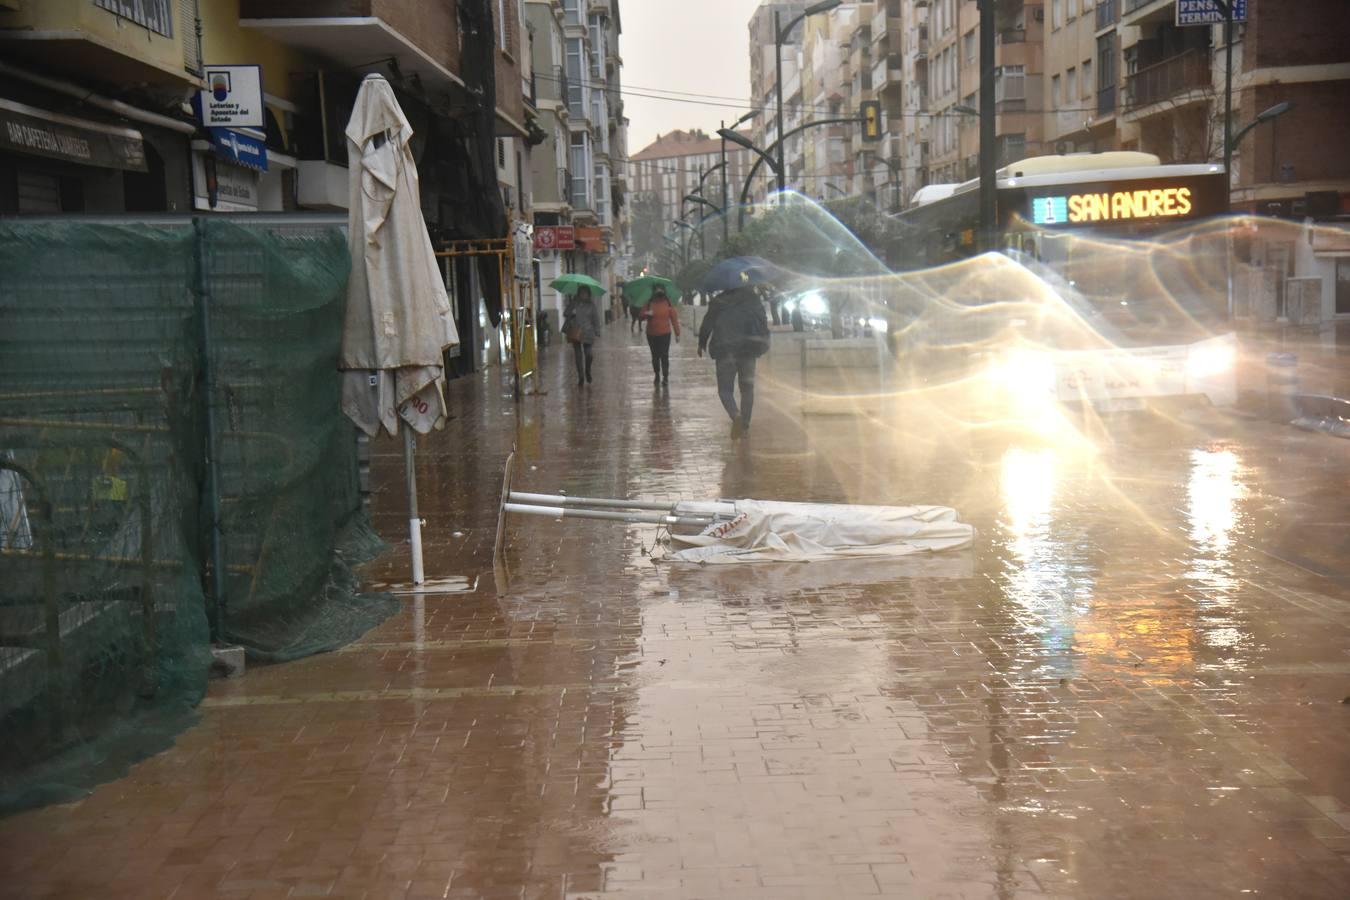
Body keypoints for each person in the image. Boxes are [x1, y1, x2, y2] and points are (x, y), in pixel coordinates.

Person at [697, 285, 770, 439]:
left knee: (725, 390)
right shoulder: (753, 300)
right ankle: (744, 425)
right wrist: (764, 342)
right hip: (748, 350)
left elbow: (707, 323)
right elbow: (763, 322)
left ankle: (735, 415)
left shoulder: (719, 301)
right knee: (747, 389)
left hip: (725, 351)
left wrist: (702, 343)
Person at [640, 286, 681, 386]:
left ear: (664, 291)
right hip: (651, 334)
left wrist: (677, 334)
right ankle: (657, 374)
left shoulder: (668, 303)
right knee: (655, 356)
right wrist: (646, 314)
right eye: (657, 289)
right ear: (654, 291)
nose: (659, 291)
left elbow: (674, 319)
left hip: (665, 334)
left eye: (661, 289)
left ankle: (665, 377)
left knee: (664, 355)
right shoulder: (649, 303)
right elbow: (640, 316)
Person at [563, 286, 602, 386]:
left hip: (588, 333)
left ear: (588, 294)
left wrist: (597, 330)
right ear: (579, 293)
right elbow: (565, 313)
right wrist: (571, 312)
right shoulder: (574, 303)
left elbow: (595, 318)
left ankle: (587, 370)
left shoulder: (591, 305)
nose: (583, 295)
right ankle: (581, 376)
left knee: (589, 355)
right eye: (582, 293)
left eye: (585, 293)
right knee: (578, 356)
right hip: (576, 331)